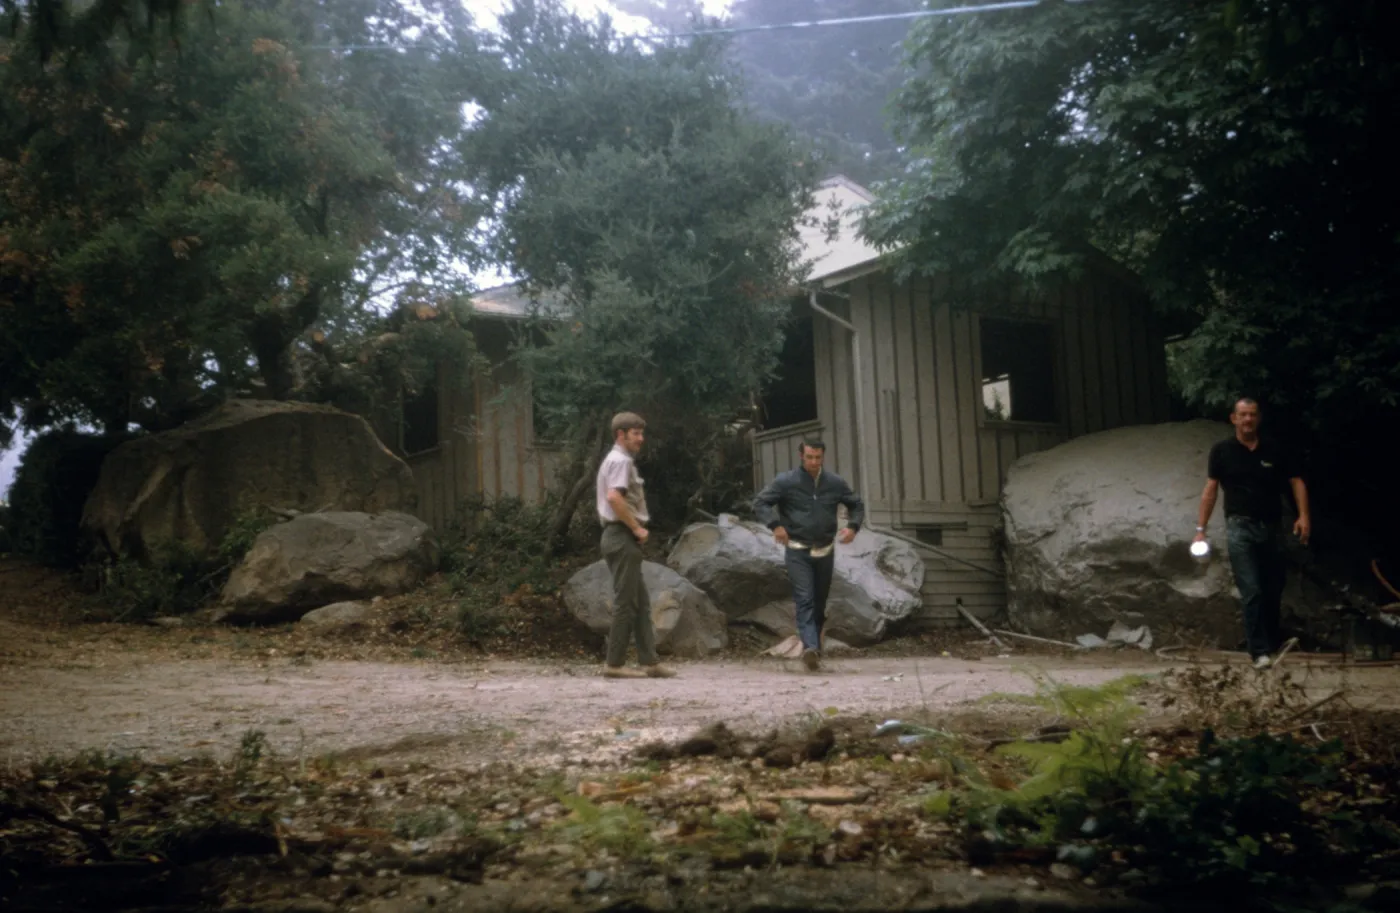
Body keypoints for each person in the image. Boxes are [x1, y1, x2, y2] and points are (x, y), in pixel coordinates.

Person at [1194, 398, 1311, 669]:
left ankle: (1269, 644)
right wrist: (1201, 530)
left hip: (1271, 526)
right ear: (1233, 418)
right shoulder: (1222, 451)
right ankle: (1258, 651)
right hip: (1239, 527)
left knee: (1273, 588)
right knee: (1252, 589)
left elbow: (1296, 480)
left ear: (1258, 419)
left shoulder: (1274, 449)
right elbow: (1210, 490)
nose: (1248, 420)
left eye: (1252, 415)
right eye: (1243, 415)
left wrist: (1304, 516)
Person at [753, 439, 866, 671]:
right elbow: (761, 503)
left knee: (819, 602)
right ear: (801, 456)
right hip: (797, 550)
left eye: (818, 457)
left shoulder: (834, 483)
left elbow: (856, 504)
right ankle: (810, 648)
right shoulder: (786, 481)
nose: (814, 462)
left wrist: (853, 527)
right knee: (804, 598)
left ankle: (814, 648)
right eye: (809, 457)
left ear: (823, 457)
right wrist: (775, 525)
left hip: (825, 550)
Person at [596, 411, 676, 680]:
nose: (641, 439)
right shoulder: (620, 461)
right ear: (621, 435)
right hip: (621, 536)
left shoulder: (616, 459)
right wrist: (636, 527)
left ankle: (649, 662)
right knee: (626, 602)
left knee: (640, 602)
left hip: (619, 537)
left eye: (642, 433)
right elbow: (614, 499)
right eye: (636, 434)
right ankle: (614, 664)